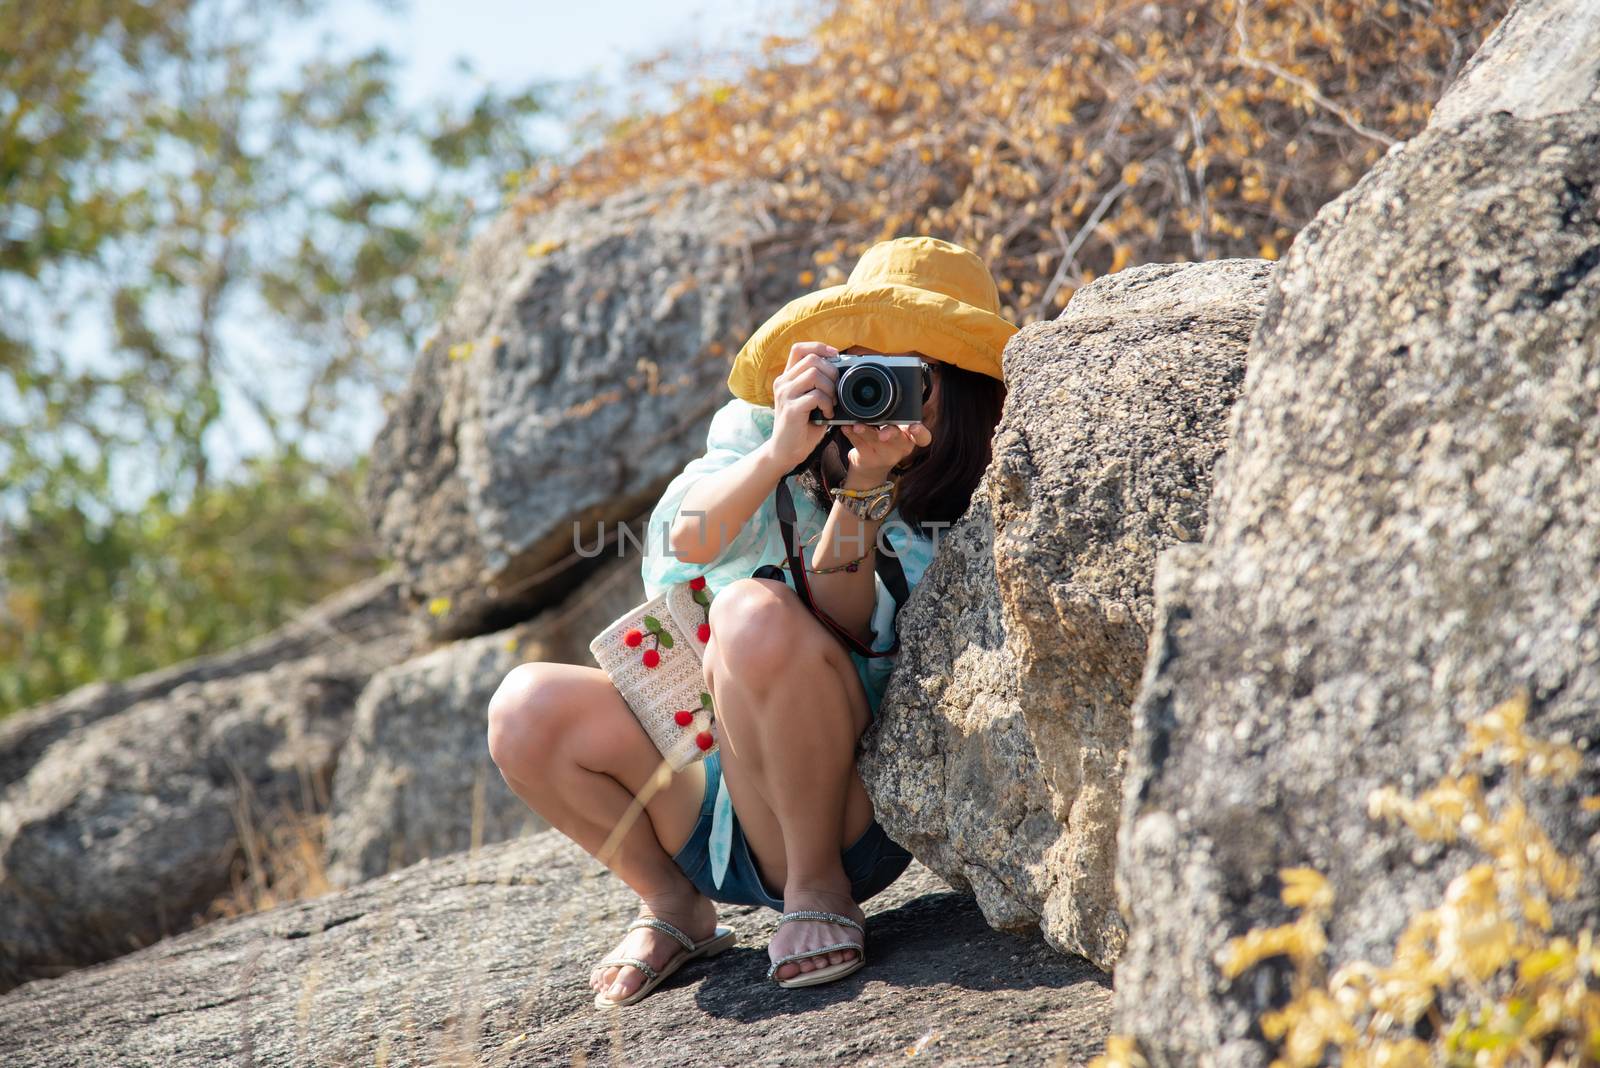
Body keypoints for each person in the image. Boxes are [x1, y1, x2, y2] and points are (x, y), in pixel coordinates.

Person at [486, 236, 1015, 1008]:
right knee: (522, 706)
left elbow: (846, 619)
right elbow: (685, 541)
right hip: (707, 797)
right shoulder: (762, 427)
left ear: (959, 389)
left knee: (751, 616)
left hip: (841, 809)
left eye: (909, 377)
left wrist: (866, 485)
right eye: (861, 366)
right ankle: (672, 905)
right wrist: (777, 452)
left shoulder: (974, 499)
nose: (879, 392)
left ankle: (818, 888)